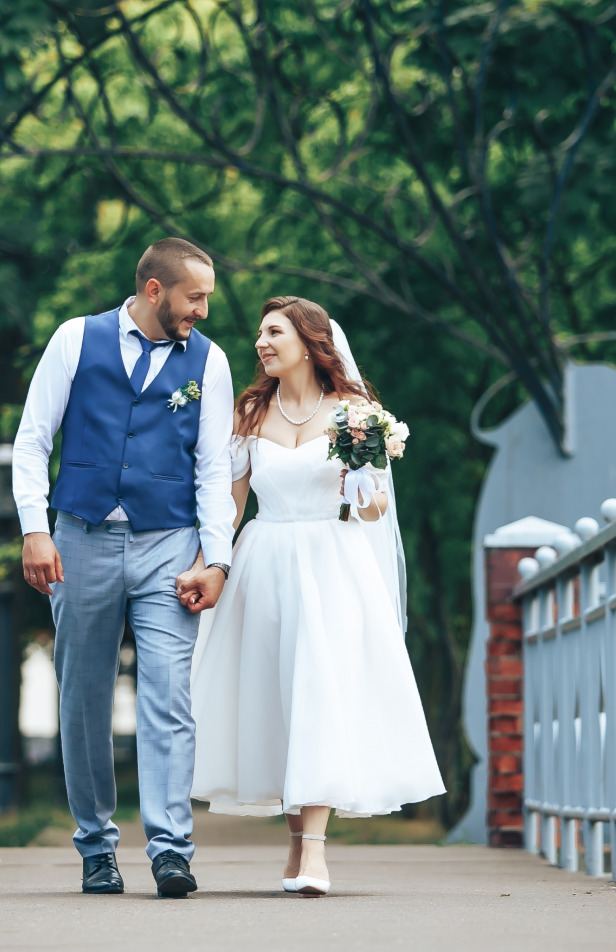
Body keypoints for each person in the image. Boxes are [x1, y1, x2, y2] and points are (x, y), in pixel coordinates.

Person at [185, 295, 445, 897]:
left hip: (333, 565)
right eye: (259, 333)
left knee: (320, 696)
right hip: (265, 563)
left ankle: (318, 854)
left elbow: (376, 508)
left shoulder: (356, 412)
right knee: (280, 703)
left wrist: (362, 476)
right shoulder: (249, 411)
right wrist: (207, 565)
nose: (261, 342)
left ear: (308, 340)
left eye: (273, 331)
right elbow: (231, 503)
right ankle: (297, 843)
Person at [12, 238, 235, 898]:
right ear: (155, 290)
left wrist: (216, 558)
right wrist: (33, 529)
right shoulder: (75, 340)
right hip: (80, 538)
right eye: (195, 298)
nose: (202, 311)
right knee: (81, 697)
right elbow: (33, 440)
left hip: (169, 542)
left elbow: (214, 467)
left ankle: (170, 848)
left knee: (168, 695)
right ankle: (96, 847)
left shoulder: (209, 362)